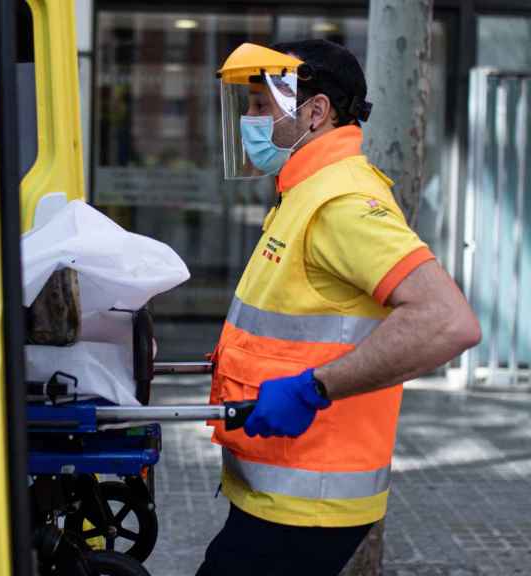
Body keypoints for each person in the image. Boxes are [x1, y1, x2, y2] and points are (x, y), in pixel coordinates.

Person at [197, 39, 481, 575]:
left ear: (316, 111)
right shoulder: (304, 192)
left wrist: (314, 388)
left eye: (261, 106)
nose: (249, 122)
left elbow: (448, 322)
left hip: (310, 496)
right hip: (283, 487)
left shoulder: (341, 202)